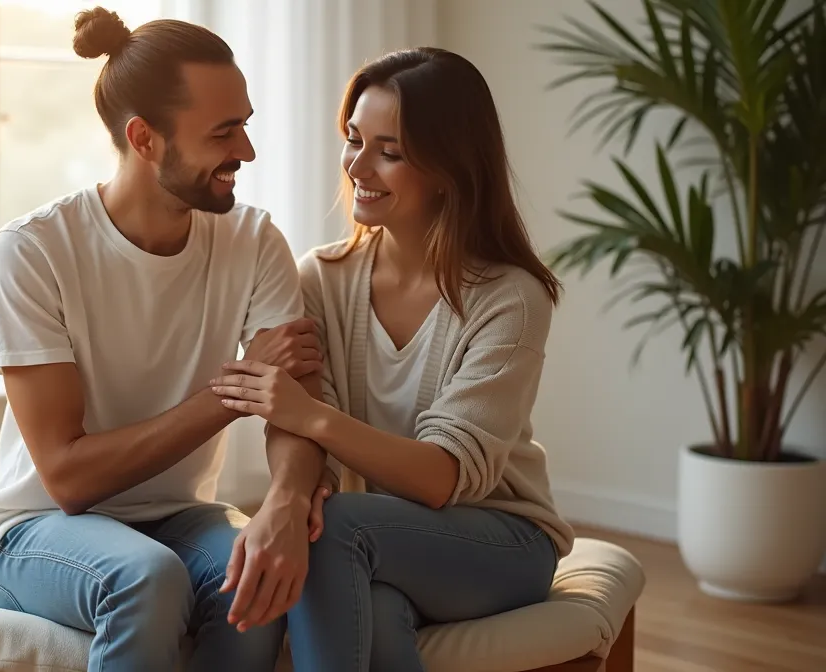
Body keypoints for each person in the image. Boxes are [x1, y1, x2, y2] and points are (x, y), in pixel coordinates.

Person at [0, 8, 334, 672]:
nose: (246, 153)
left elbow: (295, 404)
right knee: (145, 577)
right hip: (37, 529)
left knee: (256, 571)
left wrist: (284, 501)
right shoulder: (33, 251)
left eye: (245, 125)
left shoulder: (254, 241)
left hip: (181, 516)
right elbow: (68, 477)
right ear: (144, 138)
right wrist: (234, 390)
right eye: (224, 133)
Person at [208, 47, 578, 671]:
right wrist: (292, 497)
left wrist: (310, 417)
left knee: (339, 529)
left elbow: (441, 478)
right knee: (367, 604)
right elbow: (305, 452)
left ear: (448, 167)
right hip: (382, 542)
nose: (357, 166)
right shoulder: (322, 279)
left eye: (390, 151)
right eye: (354, 140)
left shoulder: (510, 297)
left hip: (504, 541)